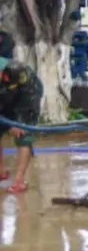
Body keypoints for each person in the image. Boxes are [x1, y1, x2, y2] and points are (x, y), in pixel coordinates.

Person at [0, 58, 42, 193]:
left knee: (23, 135)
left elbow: (29, 96)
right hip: (6, 97)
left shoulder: (17, 71)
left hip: (28, 97)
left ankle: (19, 180)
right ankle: (1, 171)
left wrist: (18, 122)